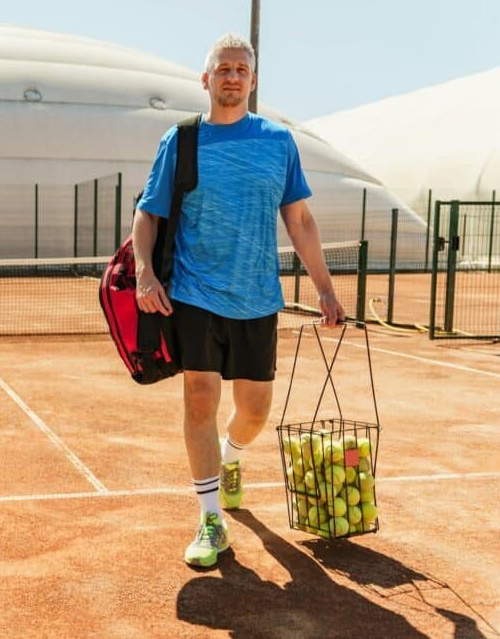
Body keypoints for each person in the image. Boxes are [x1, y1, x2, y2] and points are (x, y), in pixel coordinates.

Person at [132, 33, 345, 568]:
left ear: (252, 81)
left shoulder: (278, 143)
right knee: (200, 398)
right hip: (193, 291)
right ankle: (210, 520)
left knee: (253, 412)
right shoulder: (179, 142)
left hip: (256, 298)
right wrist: (143, 273)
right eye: (222, 68)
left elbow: (299, 219)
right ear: (206, 80)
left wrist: (324, 286)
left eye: (241, 70)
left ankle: (232, 458)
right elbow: (148, 213)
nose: (232, 76)